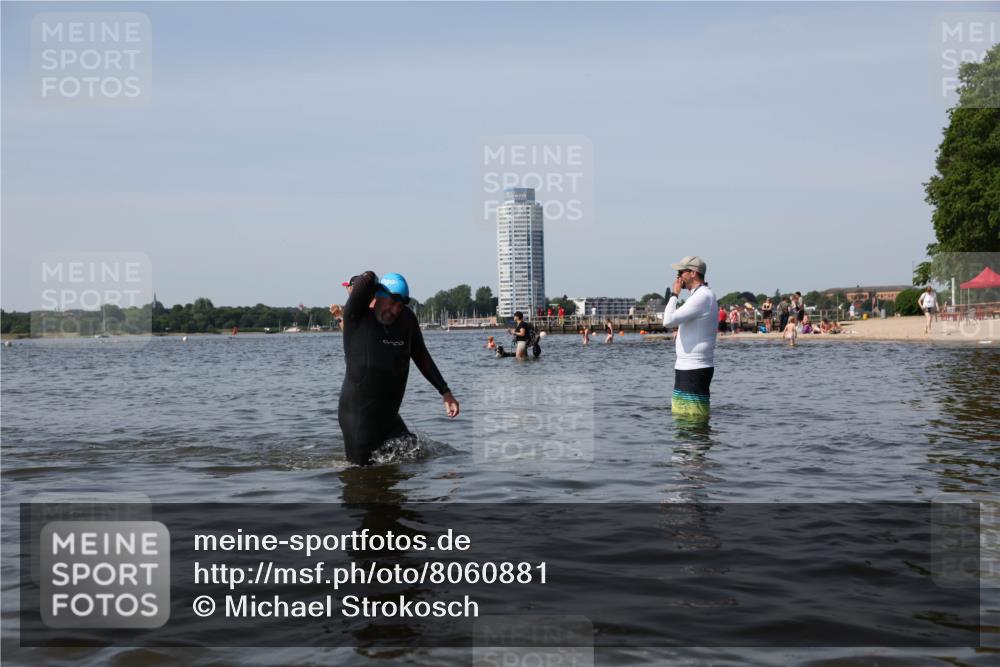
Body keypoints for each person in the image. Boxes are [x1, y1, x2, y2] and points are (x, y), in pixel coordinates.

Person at [333, 271, 459, 465]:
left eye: (400, 305)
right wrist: (370, 285)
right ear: (377, 296)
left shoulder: (406, 320)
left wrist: (445, 391)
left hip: (389, 417)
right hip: (359, 420)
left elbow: (421, 355)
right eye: (391, 303)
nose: (394, 310)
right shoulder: (356, 317)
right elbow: (367, 278)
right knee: (361, 477)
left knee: (415, 456)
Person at [662, 255, 719, 421]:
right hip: (687, 366)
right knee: (682, 419)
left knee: (693, 420)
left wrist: (674, 294)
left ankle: (697, 447)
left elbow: (668, 320)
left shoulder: (703, 296)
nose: (678, 276)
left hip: (694, 367)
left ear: (693, 273)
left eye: (681, 272)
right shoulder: (698, 296)